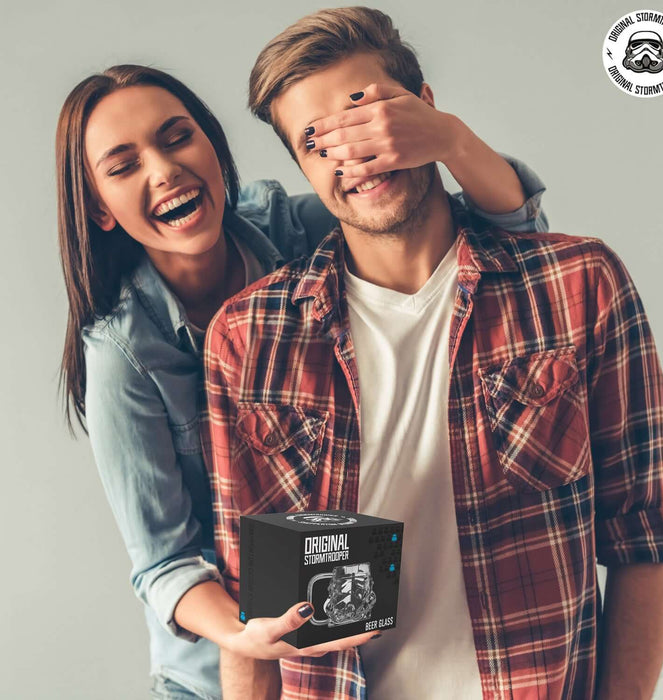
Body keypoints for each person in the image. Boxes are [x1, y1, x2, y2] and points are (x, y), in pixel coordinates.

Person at [203, 7, 663, 700]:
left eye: (367, 117)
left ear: (424, 108)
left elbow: (645, 538)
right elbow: (250, 605)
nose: (352, 154)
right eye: (317, 143)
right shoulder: (248, 338)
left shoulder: (579, 284)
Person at [56, 62, 548, 700]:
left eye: (177, 138)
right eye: (124, 166)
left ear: (212, 144)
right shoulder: (123, 353)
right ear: (98, 207)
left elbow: (509, 236)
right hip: (220, 674)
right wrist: (246, 634)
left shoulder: (298, 232)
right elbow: (163, 565)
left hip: (366, 642)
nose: (164, 170)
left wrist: (450, 139)